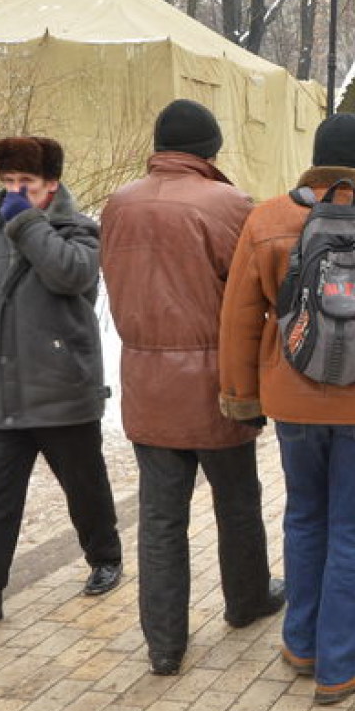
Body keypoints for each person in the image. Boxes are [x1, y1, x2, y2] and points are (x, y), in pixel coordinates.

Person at [218, 113, 355, 704]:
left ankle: (301, 642)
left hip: (291, 396)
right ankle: (340, 661)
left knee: (304, 515)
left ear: (314, 158)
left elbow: (241, 317)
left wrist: (242, 397)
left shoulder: (266, 219)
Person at [101, 99, 284, 676]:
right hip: (216, 379)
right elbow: (254, 290)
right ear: (210, 150)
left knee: (159, 517)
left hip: (145, 377)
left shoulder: (119, 205)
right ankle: (247, 598)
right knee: (236, 499)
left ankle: (164, 643)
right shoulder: (228, 204)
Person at [0, 136, 122, 640]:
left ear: (51, 184)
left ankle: (105, 557)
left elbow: (71, 275)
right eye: (8, 182)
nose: (15, 191)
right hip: (2, 388)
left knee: (84, 485)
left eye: (26, 184)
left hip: (61, 386)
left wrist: (27, 220)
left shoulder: (79, 231)